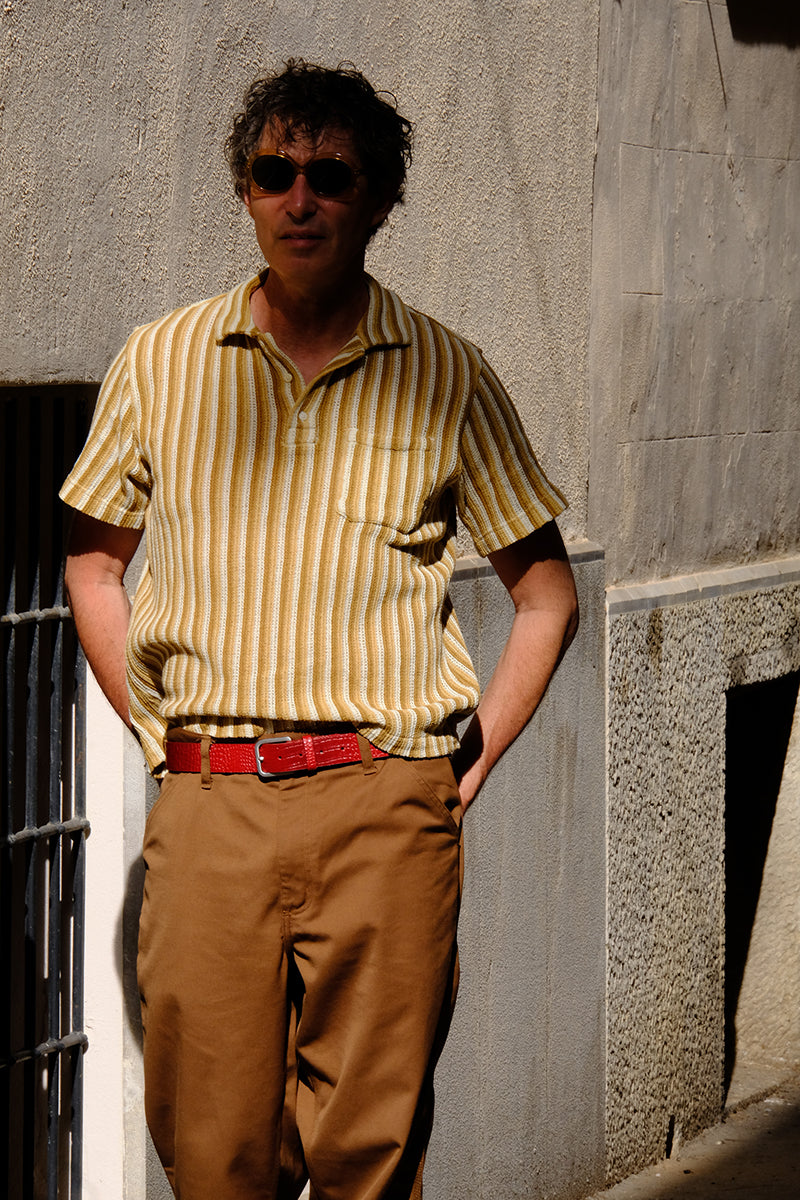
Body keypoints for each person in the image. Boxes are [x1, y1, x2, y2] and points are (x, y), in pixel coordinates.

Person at [61, 59, 578, 1200]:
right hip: (211, 795)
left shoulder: (446, 372)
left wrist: (469, 753)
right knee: (214, 1151)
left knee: (367, 1154)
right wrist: (156, 733)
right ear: (243, 192)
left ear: (378, 200)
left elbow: (545, 595)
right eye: (273, 171)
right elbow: (93, 563)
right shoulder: (159, 361)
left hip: (385, 803)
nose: (300, 198)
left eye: (331, 176)